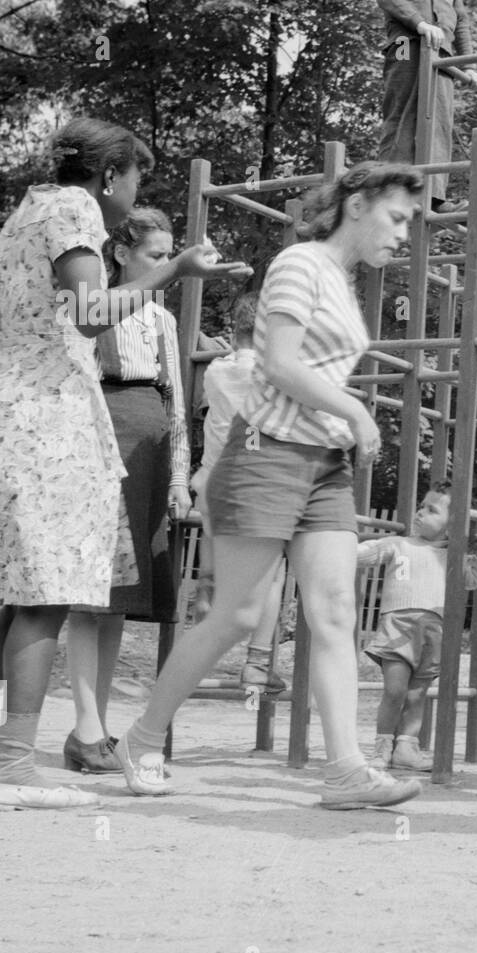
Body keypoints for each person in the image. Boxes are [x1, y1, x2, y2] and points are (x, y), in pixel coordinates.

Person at [0, 118, 248, 811]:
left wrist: (165, 272)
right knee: (49, 594)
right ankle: (15, 768)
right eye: (136, 180)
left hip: (22, 409)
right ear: (111, 175)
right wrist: (175, 271)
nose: (132, 195)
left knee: (30, 593)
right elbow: (91, 312)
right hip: (45, 418)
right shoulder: (74, 208)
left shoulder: (30, 209)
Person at [115, 162, 426, 810]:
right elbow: (279, 363)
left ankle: (344, 770)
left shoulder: (343, 282)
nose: (404, 234)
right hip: (264, 456)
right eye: (397, 217)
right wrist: (357, 410)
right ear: (360, 204)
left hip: (325, 467)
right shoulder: (301, 265)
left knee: (336, 612)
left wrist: (344, 423)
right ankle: (142, 738)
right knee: (239, 615)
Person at [63, 208, 191, 773]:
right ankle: (85, 727)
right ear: (121, 255)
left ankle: (98, 730)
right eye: (155, 257)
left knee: (120, 598)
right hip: (104, 443)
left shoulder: (161, 320)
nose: (165, 266)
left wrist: (180, 477)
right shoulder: (95, 311)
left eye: (169, 256)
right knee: (91, 597)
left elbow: (178, 401)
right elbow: (76, 389)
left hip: (151, 449)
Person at [357, 482, 477, 772]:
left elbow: (472, 581)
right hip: (398, 628)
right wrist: (339, 546)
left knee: (417, 694)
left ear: (452, 523)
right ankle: (383, 747)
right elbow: (366, 554)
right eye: (421, 506)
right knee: (394, 690)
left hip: (433, 630)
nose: (420, 513)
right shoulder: (400, 544)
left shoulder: (454, 556)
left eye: (431, 510)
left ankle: (406, 747)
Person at [189, 292, 286, 690]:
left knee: (210, 575)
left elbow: (221, 353)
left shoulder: (214, 371)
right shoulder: (275, 372)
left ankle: (195, 657)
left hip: (211, 485)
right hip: (255, 485)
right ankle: (257, 663)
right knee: (272, 573)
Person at [375, 0, 477, 206]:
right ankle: (389, 186)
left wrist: (471, 65)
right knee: (404, 113)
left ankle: (433, 196)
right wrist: (418, 23)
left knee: (438, 121)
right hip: (406, 47)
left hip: (443, 59)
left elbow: (460, 20)